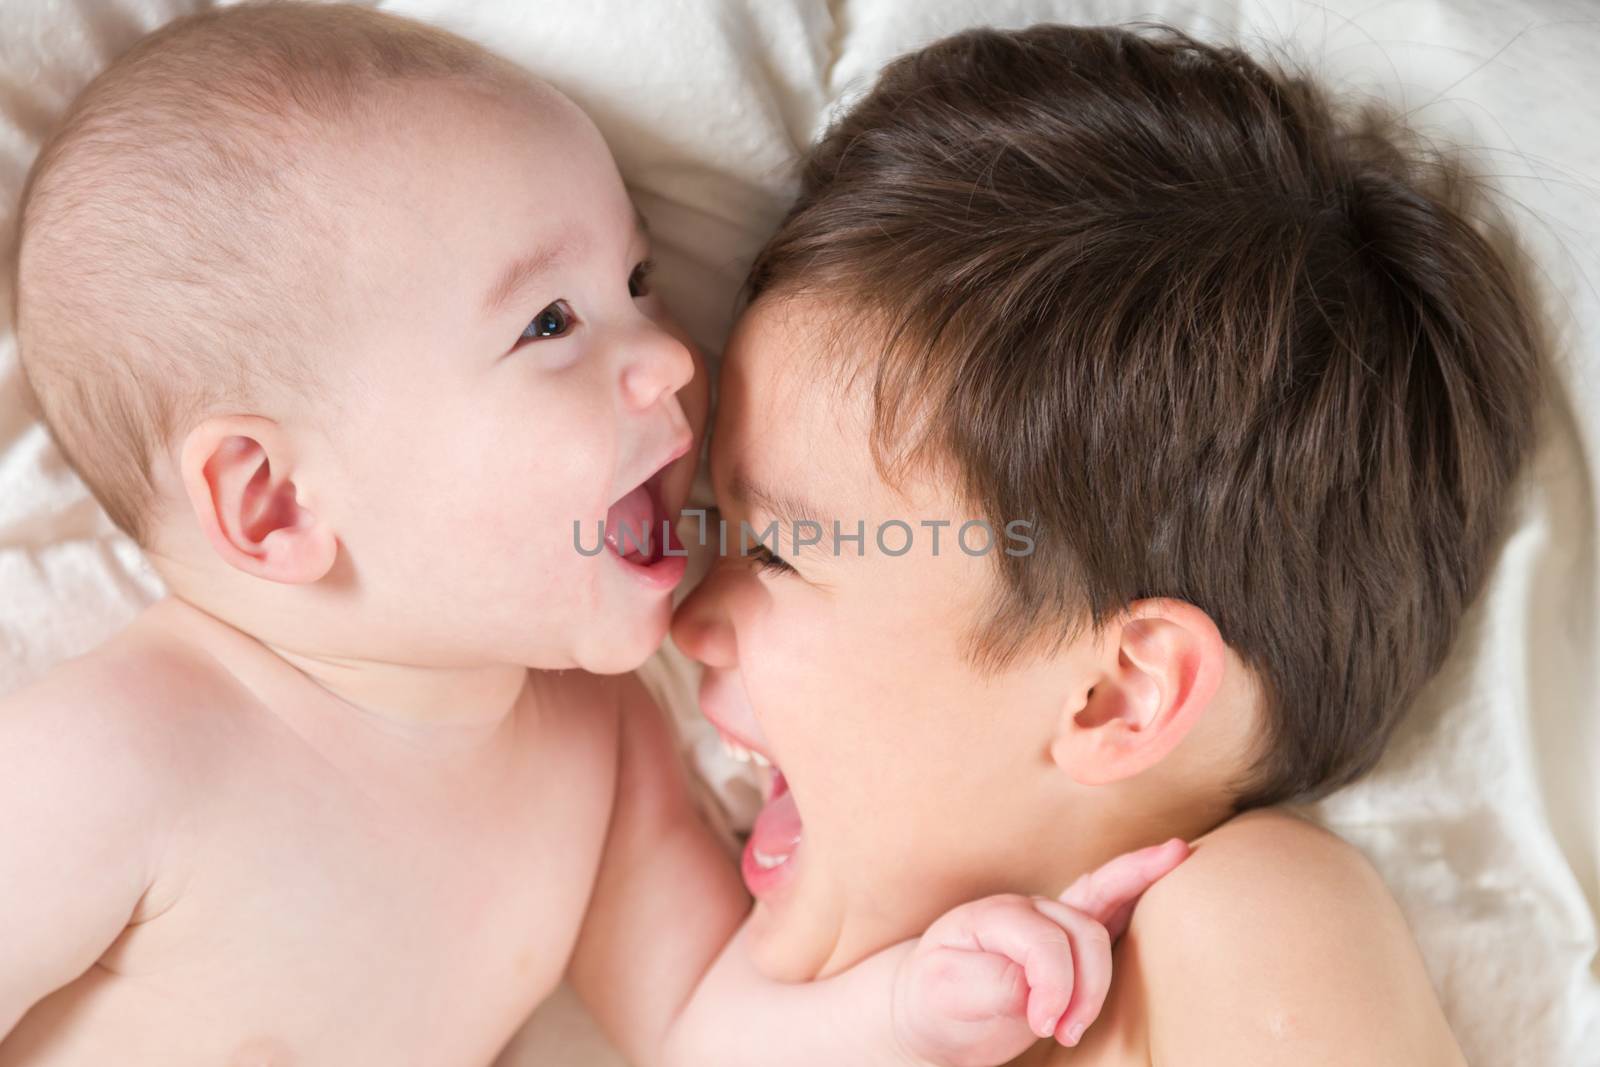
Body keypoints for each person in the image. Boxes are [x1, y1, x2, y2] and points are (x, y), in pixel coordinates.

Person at [0, 5, 1179, 1065]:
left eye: (639, 278)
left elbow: (695, 1025)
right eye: (550, 320)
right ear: (274, 502)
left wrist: (912, 1012)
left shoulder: (596, 741)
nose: (667, 354)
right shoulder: (123, 755)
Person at [671, 22, 1544, 1065]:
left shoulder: (1249, 915)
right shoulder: (815, 988)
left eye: (772, 551)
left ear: (1116, 695)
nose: (683, 612)